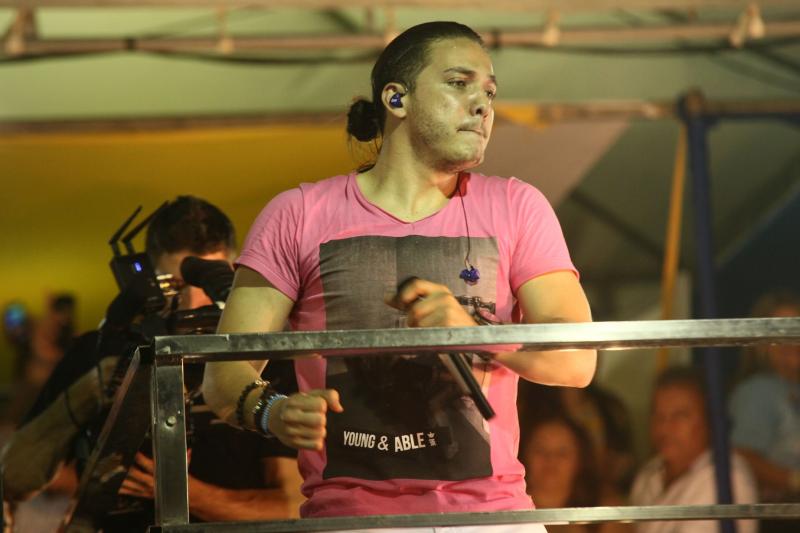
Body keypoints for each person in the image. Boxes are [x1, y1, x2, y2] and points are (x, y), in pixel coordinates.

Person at [202, 21, 596, 530]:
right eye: (459, 83)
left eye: (489, 92)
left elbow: (577, 361)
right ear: (396, 98)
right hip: (351, 520)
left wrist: (473, 334)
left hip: (491, 516)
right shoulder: (297, 214)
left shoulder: (518, 206)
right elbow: (223, 374)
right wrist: (272, 412)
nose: (482, 105)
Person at [1, 196, 304, 530]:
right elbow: (15, 478)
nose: (192, 302)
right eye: (173, 285)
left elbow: (293, 506)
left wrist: (179, 491)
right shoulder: (102, 351)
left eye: (205, 282)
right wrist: (96, 388)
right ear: (144, 278)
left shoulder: (264, 358)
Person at [629, 366, 758, 533]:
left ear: (709, 420)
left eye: (680, 416)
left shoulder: (727, 477)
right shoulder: (649, 473)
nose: (665, 427)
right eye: (658, 415)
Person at [729, 290, 800, 532]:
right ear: (762, 343)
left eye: (795, 330)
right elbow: (742, 456)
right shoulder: (757, 390)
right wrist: (793, 480)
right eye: (780, 333)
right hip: (779, 517)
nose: (791, 342)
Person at [520, 414, 631, 533]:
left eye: (562, 452)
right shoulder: (508, 508)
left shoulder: (606, 514)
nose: (551, 459)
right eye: (540, 450)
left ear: (580, 460)